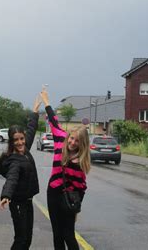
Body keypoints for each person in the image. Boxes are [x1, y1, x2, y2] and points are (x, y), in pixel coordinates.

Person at [40, 87, 91, 250]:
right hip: (53, 193)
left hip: (69, 197)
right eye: (72, 138)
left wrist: (76, 209)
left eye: (77, 141)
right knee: (57, 234)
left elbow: (82, 188)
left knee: (68, 234)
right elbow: (54, 121)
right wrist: (47, 102)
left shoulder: (80, 162)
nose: (72, 143)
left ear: (82, 144)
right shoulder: (61, 139)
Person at [0, 96, 41, 249]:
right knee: (21, 239)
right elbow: (12, 179)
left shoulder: (24, 149)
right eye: (16, 140)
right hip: (18, 203)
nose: (20, 142)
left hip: (27, 202)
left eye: (22, 138)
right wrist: (6, 195)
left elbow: (32, 130)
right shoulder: (14, 160)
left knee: (27, 239)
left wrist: (34, 112)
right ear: (11, 142)